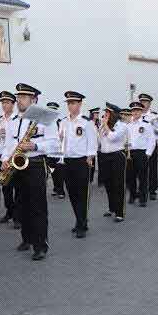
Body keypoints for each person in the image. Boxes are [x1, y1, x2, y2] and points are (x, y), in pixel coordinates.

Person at [1, 83, 60, 261]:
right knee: (21, 205)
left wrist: (35, 145)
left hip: (35, 164)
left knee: (37, 207)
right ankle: (26, 239)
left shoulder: (44, 118)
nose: (19, 100)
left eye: (23, 97)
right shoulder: (12, 120)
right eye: (18, 97)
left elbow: (56, 144)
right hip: (17, 165)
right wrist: (4, 159)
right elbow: (8, 145)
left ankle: (40, 245)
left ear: (34, 99)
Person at [59, 91, 98, 239]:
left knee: (82, 194)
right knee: (72, 194)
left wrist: (90, 157)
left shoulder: (86, 122)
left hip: (82, 161)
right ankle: (79, 220)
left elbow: (92, 141)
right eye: (68, 103)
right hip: (67, 161)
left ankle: (82, 224)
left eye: (73, 103)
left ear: (80, 104)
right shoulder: (63, 122)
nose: (70, 106)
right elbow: (60, 142)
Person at [98, 103, 128, 223]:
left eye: (108, 113)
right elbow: (99, 140)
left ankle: (120, 212)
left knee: (118, 184)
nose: (105, 115)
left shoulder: (122, 126)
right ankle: (112, 208)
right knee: (108, 183)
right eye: (105, 113)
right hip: (104, 156)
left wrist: (105, 125)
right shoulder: (104, 125)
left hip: (117, 156)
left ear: (114, 114)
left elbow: (112, 137)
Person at [127, 101, 156, 208]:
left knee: (142, 176)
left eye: (137, 111)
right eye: (133, 111)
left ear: (141, 112)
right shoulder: (128, 125)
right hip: (130, 153)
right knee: (131, 176)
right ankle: (133, 195)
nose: (135, 113)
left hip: (142, 153)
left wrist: (148, 154)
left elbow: (152, 140)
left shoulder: (146, 124)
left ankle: (143, 198)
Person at [0, 91, 18, 225]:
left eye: (7, 102)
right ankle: (9, 212)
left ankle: (18, 217)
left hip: (15, 157)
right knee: (6, 188)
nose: (4, 105)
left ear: (13, 104)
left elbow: (16, 141)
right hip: (3, 158)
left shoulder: (17, 119)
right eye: (3, 103)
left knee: (18, 190)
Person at [139, 93, 158, 201]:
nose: (143, 104)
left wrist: (151, 126)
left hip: (151, 144)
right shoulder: (135, 115)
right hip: (139, 145)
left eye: (145, 102)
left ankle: (152, 190)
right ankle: (141, 189)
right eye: (141, 102)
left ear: (149, 103)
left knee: (152, 168)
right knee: (140, 168)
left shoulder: (154, 115)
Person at [45, 102, 66, 199]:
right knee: (52, 171)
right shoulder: (44, 123)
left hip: (58, 152)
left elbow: (64, 136)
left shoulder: (60, 122)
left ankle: (61, 191)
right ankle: (55, 188)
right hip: (48, 153)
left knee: (59, 172)